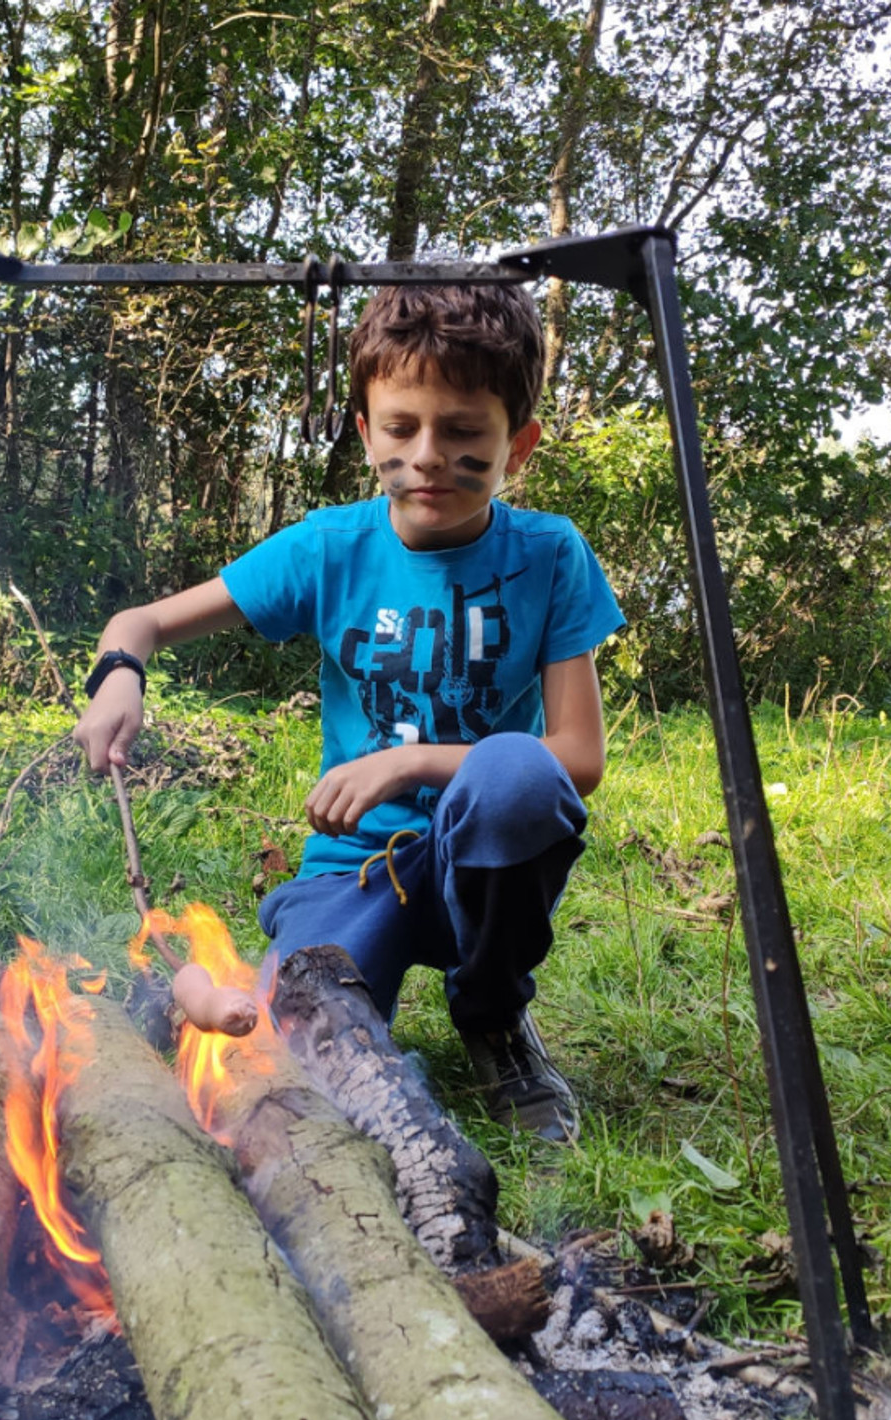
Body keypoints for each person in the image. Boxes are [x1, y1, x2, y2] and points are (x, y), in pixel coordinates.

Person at [72, 281, 623, 1142]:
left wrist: (405, 763)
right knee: (291, 1033)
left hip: (476, 860)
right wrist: (118, 672)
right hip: (355, 870)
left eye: (465, 431)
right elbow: (142, 622)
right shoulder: (332, 548)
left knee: (515, 774)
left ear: (520, 444)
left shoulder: (550, 556)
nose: (430, 455)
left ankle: (491, 1015)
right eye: (402, 427)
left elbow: (576, 758)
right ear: (365, 430)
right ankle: (347, 1006)